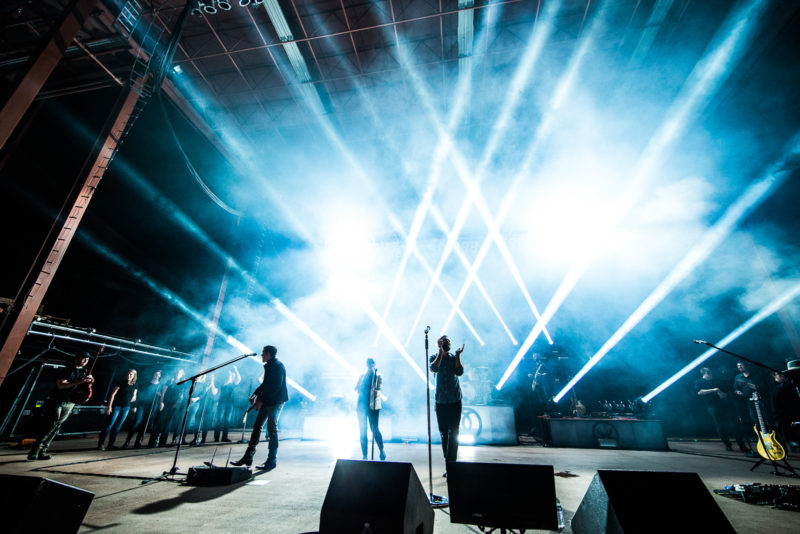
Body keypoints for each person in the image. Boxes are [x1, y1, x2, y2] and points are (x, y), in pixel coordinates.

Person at [27, 352, 94, 460]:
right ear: (77, 358)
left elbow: (85, 385)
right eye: (83, 359)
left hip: (70, 402)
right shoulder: (67, 370)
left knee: (57, 427)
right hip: (57, 401)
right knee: (50, 425)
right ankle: (34, 451)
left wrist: (90, 380)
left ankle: (43, 451)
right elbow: (61, 385)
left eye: (87, 360)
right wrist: (80, 381)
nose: (85, 361)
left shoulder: (84, 372)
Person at [231, 345, 288, 470]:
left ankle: (271, 460)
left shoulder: (277, 366)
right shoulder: (270, 365)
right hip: (268, 400)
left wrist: (261, 400)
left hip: (276, 401)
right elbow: (266, 384)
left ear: (269, 354)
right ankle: (248, 456)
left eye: (263, 353)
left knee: (272, 427)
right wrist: (255, 394)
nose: (261, 355)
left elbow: (276, 387)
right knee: (257, 426)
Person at [695, 367, 751, 454]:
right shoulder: (699, 381)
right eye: (709, 372)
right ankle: (728, 445)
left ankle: (742, 445)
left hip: (725, 405)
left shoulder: (716, 380)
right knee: (720, 426)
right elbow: (700, 392)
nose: (712, 374)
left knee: (735, 424)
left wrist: (724, 394)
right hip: (712, 406)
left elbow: (726, 390)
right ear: (705, 373)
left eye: (711, 372)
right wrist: (714, 390)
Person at [430, 334, 464, 475]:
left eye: (447, 342)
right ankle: (448, 464)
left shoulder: (452, 358)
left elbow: (459, 372)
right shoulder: (434, 357)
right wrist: (439, 351)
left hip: (455, 400)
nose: (445, 344)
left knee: (454, 433)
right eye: (443, 342)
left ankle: (452, 465)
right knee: (444, 434)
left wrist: (457, 355)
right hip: (441, 401)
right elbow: (433, 368)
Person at [98, 369, 138, 450]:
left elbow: (134, 395)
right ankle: (101, 444)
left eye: (131, 374)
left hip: (126, 407)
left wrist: (134, 398)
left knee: (118, 426)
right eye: (128, 374)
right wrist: (109, 407)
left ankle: (110, 444)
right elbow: (112, 395)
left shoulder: (135, 385)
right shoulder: (120, 383)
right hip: (116, 406)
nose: (129, 375)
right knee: (109, 425)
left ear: (134, 376)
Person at [356, 358, 386, 460]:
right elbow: (356, 388)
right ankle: (364, 455)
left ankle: (382, 450)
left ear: (374, 364)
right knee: (362, 430)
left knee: (374, 429)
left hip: (372, 406)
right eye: (368, 363)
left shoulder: (378, 376)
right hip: (361, 405)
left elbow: (378, 390)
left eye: (371, 363)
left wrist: (373, 379)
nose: (369, 364)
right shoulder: (362, 376)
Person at [123, 369, 162, 448]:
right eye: (155, 374)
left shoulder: (160, 386)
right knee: (137, 422)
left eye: (158, 375)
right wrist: (135, 405)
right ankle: (127, 441)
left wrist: (159, 395)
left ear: (160, 376)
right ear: (153, 375)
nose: (156, 376)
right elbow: (139, 394)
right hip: (142, 404)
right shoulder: (146, 383)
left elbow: (162, 397)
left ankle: (138, 442)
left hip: (151, 406)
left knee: (145, 424)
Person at [214, 365, 241, 442]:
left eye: (232, 375)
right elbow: (223, 385)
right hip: (222, 403)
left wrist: (236, 370)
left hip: (230, 404)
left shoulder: (232, 384)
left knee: (227, 421)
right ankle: (216, 437)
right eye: (231, 375)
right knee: (219, 420)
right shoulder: (224, 382)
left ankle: (224, 437)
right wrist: (229, 377)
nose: (232, 376)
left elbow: (238, 379)